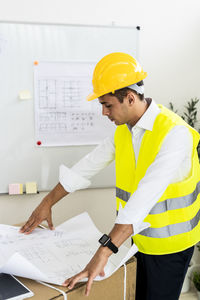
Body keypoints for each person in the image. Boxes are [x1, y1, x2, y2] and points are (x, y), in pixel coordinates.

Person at [20, 52, 200, 299]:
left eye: (107, 105)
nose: (104, 113)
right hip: (140, 241)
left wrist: (103, 252)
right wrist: (46, 203)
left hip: (171, 248)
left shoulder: (175, 134)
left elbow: (145, 196)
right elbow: (86, 167)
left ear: (129, 97)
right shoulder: (124, 132)